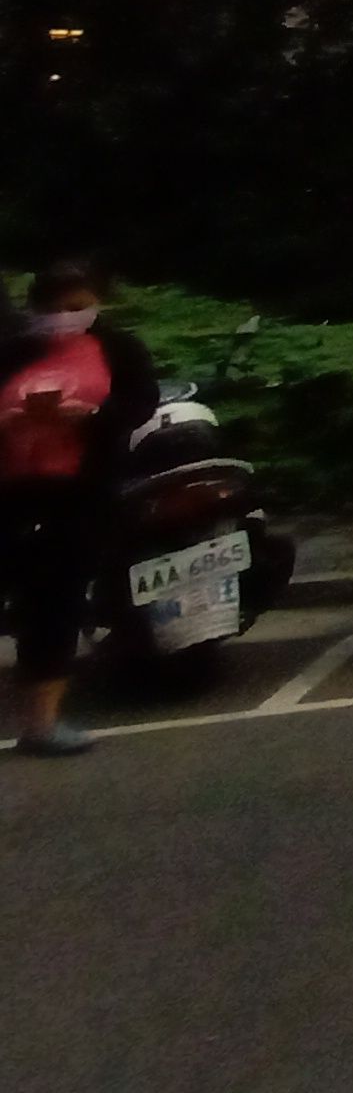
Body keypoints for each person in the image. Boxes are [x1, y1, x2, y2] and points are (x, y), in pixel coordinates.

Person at [0, 259, 160, 756]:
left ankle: (41, 723)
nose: (65, 315)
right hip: (12, 492)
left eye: (77, 305)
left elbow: (140, 404)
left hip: (78, 497)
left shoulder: (119, 348)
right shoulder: (16, 351)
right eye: (54, 306)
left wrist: (90, 416)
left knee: (55, 601)